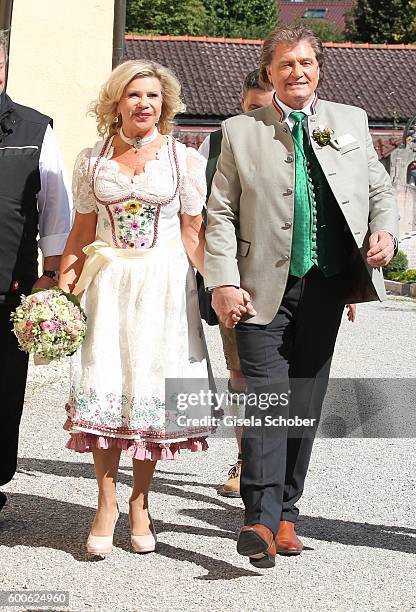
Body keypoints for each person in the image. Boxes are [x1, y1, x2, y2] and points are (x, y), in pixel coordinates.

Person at [204, 25, 399, 569]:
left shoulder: (351, 121)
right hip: (258, 288)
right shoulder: (240, 131)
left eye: (307, 63)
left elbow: (379, 189)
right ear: (269, 72)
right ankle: (259, 523)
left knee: (304, 404)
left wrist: (383, 230)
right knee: (267, 401)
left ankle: (287, 512)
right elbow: (218, 212)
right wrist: (221, 280)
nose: (297, 72)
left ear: (319, 69)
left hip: (327, 285)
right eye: (286, 64)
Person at [59, 59, 211, 557]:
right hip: (108, 282)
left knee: (149, 393)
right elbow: (82, 232)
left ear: (164, 103)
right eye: (133, 95)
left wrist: (219, 285)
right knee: (106, 387)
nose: (144, 104)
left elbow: (193, 232)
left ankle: (140, 501)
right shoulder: (91, 159)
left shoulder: (182, 159)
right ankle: (105, 502)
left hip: (165, 285)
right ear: (116, 102)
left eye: (152, 96)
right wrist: (62, 288)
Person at [0, 31, 72, 511]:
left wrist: (51, 274)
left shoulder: (32, 129)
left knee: (2, 395)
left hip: (8, 287)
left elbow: (57, 209)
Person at [198, 69, 274, 498]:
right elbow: (206, 214)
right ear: (240, 102)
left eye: (266, 109)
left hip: (292, 275)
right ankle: (247, 460)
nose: (259, 118)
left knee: (291, 376)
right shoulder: (217, 142)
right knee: (242, 373)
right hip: (237, 277)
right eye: (251, 108)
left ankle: (277, 472)